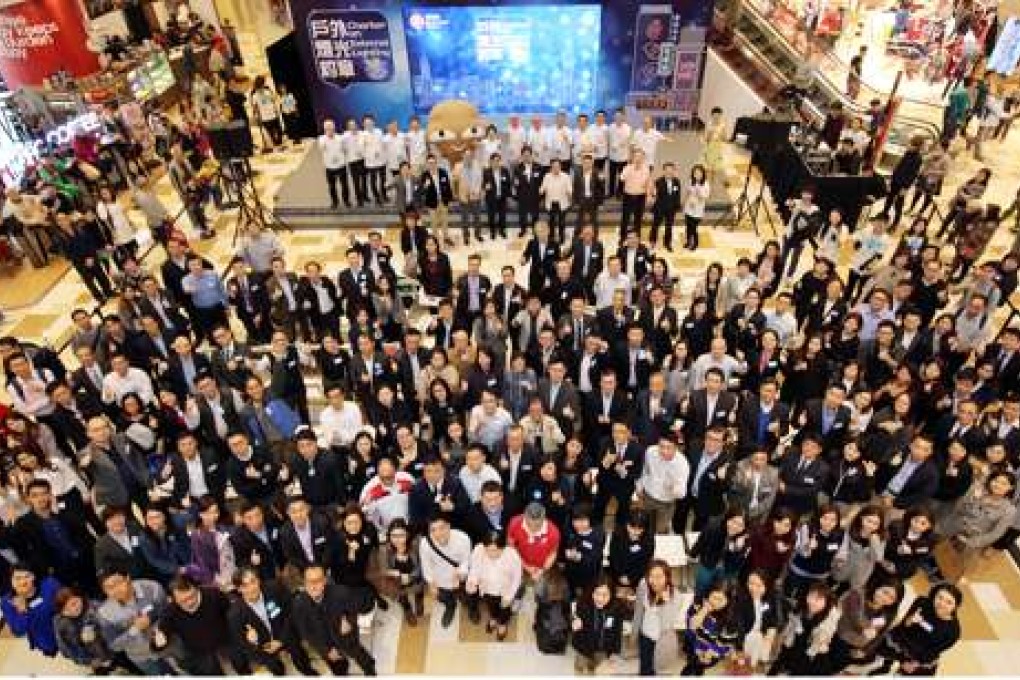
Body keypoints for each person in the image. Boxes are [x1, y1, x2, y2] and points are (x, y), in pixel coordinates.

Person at [465, 531, 522, 641]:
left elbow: (517, 578)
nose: (491, 554)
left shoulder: (513, 556)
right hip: (486, 588)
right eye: (487, 550)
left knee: (505, 608)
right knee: (491, 605)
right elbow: (474, 569)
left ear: (503, 548)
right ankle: (494, 618)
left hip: (505, 590)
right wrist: (472, 581)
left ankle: (502, 624)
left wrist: (509, 596)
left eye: (495, 551)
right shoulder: (478, 550)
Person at [633, 559, 682, 675]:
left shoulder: (676, 596)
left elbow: (666, 624)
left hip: (661, 638)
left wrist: (666, 603)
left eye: (659, 576)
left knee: (658, 668)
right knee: (645, 669)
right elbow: (639, 609)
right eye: (651, 576)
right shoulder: (643, 585)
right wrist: (634, 632)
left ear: (667, 577)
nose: (654, 581)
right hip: (645, 634)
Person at [0, 564, 61, 657]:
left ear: (33, 576)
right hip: (45, 640)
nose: (22, 582)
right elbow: (18, 631)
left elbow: (66, 599)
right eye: (17, 578)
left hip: (63, 630)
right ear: (11, 581)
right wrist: (22, 611)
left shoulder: (49, 585)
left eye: (27, 576)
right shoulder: (7, 601)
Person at [571, 577, 625, 674]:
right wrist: (574, 621)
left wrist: (615, 652)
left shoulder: (616, 608)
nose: (600, 599)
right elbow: (572, 617)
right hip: (584, 649)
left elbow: (617, 631)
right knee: (580, 670)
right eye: (597, 594)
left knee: (597, 670)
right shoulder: (583, 605)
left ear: (611, 595)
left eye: (605, 595)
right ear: (592, 592)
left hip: (603, 650)